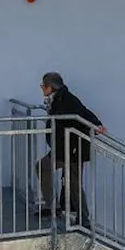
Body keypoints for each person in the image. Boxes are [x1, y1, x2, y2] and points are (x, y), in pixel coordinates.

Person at [38, 72, 106, 228]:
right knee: (45, 168)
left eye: (43, 86)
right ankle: (53, 206)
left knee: (73, 183)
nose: (42, 88)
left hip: (74, 148)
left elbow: (84, 113)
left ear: (51, 87)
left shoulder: (67, 99)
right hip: (63, 147)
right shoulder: (56, 98)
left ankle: (84, 220)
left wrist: (97, 126)